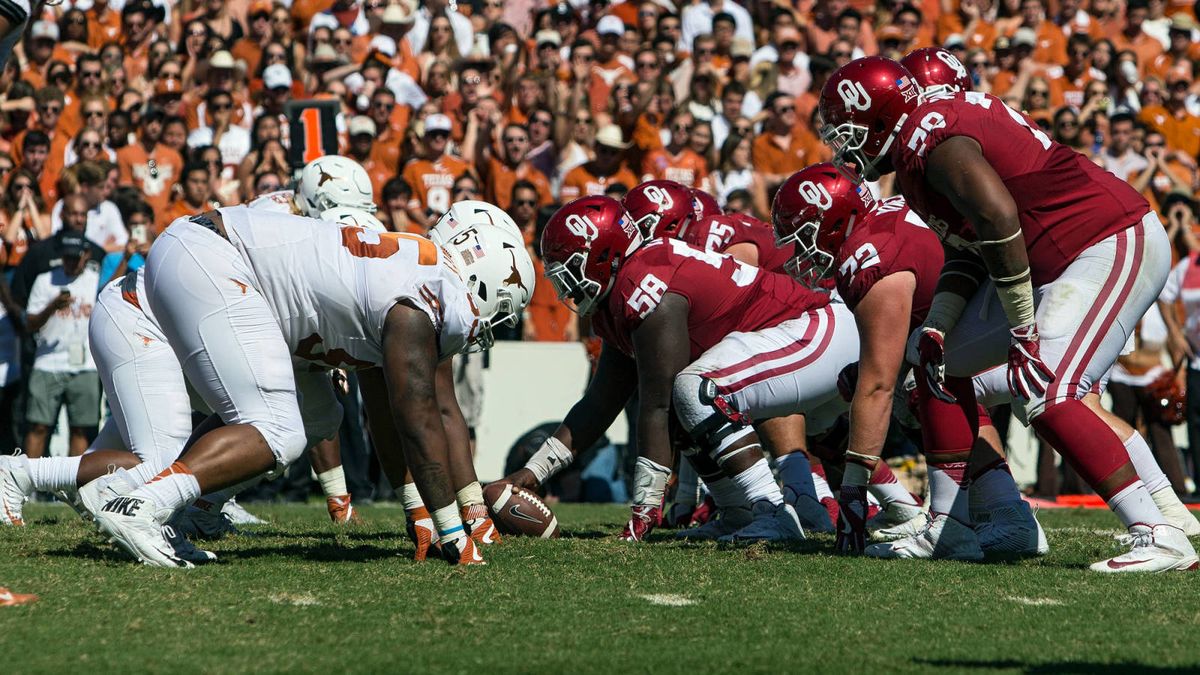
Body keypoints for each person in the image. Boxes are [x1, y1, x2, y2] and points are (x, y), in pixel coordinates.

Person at [819, 56, 1197, 572]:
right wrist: (941, 323)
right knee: (929, 364)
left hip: (1104, 239)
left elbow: (999, 216)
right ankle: (951, 527)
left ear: (879, 117)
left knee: (1047, 388)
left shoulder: (931, 137)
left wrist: (1022, 326)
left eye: (849, 130)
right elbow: (969, 249)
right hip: (1058, 261)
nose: (846, 146)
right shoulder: (917, 149)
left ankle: (1158, 532)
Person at [86, 204, 532, 568]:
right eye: (501, 309)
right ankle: (144, 504)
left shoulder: (414, 272)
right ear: (483, 276)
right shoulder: (428, 296)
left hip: (201, 251)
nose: (488, 328)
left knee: (314, 415)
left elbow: (382, 409)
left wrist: (418, 510)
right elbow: (416, 417)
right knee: (277, 429)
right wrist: (452, 530)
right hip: (211, 258)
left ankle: (172, 516)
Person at [505, 195, 855, 541]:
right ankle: (740, 513)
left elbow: (657, 405)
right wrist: (534, 470)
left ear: (602, 254)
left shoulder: (644, 283)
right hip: (799, 337)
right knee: (687, 403)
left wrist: (644, 509)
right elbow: (599, 403)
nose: (564, 284)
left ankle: (774, 510)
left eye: (569, 268)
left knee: (694, 391)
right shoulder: (620, 293)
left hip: (814, 329)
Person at [22, 218, 100, 462]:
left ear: (86, 255)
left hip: (85, 363)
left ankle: (70, 488)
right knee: (38, 426)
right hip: (48, 361)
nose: (71, 263)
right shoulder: (45, 280)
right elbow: (29, 324)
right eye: (67, 257)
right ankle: (27, 487)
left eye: (75, 258)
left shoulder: (95, 279)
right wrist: (51, 306)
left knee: (80, 428)